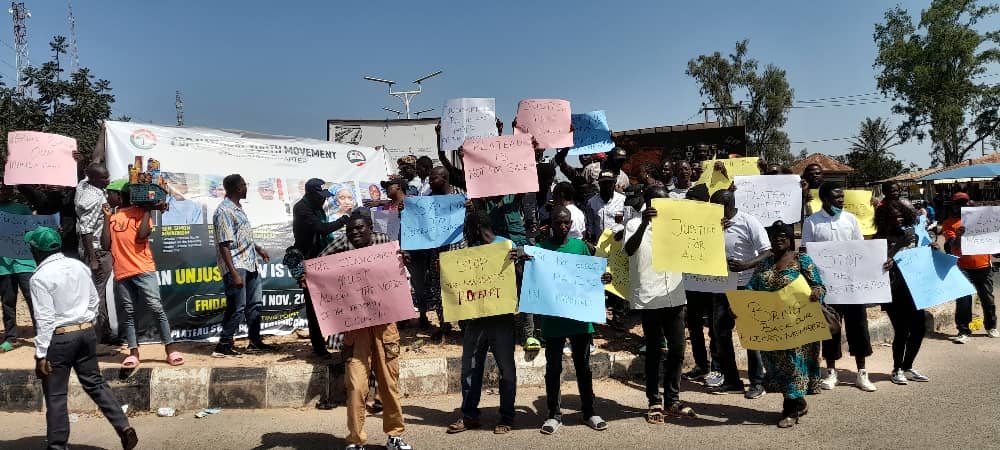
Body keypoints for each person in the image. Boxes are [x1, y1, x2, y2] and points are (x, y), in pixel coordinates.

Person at [25, 226, 138, 450]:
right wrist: (87, 325)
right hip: (85, 333)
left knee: (56, 395)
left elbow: (45, 319)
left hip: (60, 338)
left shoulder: (39, 277)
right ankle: (123, 426)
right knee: (95, 383)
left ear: (37, 251)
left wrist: (41, 354)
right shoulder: (78, 266)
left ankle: (57, 445)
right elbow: (94, 301)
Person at [316, 213, 412, 450]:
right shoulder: (341, 247)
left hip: (384, 326)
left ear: (370, 228)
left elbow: (399, 274)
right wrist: (309, 276)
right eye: (350, 230)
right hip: (355, 328)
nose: (355, 233)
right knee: (356, 386)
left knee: (389, 384)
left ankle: (395, 436)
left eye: (359, 229)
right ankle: (356, 439)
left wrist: (403, 260)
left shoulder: (385, 245)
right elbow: (318, 265)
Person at [523, 206, 611, 435]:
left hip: (579, 319)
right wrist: (522, 258)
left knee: (583, 367)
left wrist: (603, 278)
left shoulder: (580, 246)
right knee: (553, 369)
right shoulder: (540, 250)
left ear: (571, 224)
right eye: (558, 222)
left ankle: (589, 411)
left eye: (566, 223)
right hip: (553, 320)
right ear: (550, 223)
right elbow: (533, 277)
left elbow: (592, 276)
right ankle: (554, 414)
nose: (562, 226)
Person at [622, 186, 696, 424]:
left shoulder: (677, 225)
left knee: (677, 349)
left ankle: (672, 400)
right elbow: (629, 250)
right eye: (660, 202)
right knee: (655, 350)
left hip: (674, 294)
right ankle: (654, 400)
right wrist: (644, 224)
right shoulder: (633, 224)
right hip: (650, 296)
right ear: (650, 202)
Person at [747, 221, 825, 428]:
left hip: (798, 326)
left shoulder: (802, 261)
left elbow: (819, 285)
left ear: (790, 239)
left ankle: (789, 410)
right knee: (776, 367)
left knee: (793, 366)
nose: (778, 239)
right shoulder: (764, 264)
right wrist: (740, 303)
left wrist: (817, 293)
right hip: (772, 327)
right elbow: (751, 287)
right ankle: (799, 402)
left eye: (783, 235)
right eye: (774, 236)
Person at [446, 211, 517, 435]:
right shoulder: (469, 250)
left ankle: (506, 416)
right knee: (470, 368)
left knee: (506, 370)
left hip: (501, 318)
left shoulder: (506, 246)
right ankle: (469, 416)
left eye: (467, 228)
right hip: (475, 319)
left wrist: (519, 262)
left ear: (476, 228)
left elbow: (518, 278)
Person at [802, 182, 875, 392]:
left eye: (842, 197)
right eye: (837, 197)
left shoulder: (850, 219)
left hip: (852, 286)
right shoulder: (812, 222)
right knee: (830, 328)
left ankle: (862, 373)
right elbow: (807, 254)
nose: (841, 201)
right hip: (827, 287)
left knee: (859, 328)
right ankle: (831, 372)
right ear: (825, 199)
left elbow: (860, 249)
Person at [100, 185, 183, 368]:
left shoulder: (139, 212)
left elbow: (142, 236)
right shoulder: (112, 217)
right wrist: (106, 219)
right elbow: (105, 245)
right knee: (129, 312)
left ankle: (170, 348)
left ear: (120, 197)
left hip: (143, 269)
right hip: (122, 272)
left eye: (110, 194)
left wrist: (146, 211)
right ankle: (133, 352)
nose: (107, 197)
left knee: (155, 307)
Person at [711, 189, 771, 399]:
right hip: (721, 287)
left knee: (750, 335)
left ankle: (757, 382)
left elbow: (767, 251)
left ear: (728, 204)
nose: (713, 210)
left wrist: (746, 264)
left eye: (717, 206)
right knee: (721, 335)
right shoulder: (712, 224)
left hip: (745, 286)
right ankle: (732, 381)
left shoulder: (748, 222)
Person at [211, 174, 275, 357]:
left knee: (254, 304)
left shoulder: (238, 208)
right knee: (237, 306)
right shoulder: (224, 211)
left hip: (250, 263)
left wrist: (258, 249)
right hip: (237, 265)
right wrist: (233, 273)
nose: (246, 188)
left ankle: (255, 341)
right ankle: (223, 345)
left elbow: (241, 236)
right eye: (244, 185)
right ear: (239, 188)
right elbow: (224, 244)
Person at [288, 178, 352, 357]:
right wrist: (344, 219)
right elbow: (321, 229)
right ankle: (318, 347)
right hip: (308, 263)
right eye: (320, 196)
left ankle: (334, 340)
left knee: (331, 303)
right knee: (314, 306)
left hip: (322, 260)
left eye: (325, 196)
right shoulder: (302, 208)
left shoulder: (316, 206)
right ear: (309, 193)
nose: (323, 199)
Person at [874, 200, 931, 384]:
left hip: (914, 289)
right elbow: (876, 264)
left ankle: (908, 366)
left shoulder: (910, 233)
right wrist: (897, 246)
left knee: (919, 328)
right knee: (902, 331)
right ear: (885, 217)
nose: (898, 217)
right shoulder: (879, 237)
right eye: (894, 214)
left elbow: (920, 254)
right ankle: (896, 369)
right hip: (893, 291)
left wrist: (931, 248)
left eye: (901, 213)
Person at [941, 192, 998, 342]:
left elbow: (993, 241)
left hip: (984, 265)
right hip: (962, 267)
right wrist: (960, 235)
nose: (962, 205)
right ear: (953, 205)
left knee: (987, 298)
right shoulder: (949, 223)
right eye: (959, 203)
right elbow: (953, 246)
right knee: (964, 299)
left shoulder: (983, 219)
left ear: (970, 202)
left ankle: (991, 326)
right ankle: (964, 331)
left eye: (965, 202)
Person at [74, 163, 117, 345]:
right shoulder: (93, 198)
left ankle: (103, 332)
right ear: (93, 178)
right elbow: (86, 229)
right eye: (103, 178)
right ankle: (99, 336)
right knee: (99, 294)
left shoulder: (83, 185)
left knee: (98, 292)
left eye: (107, 177)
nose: (107, 180)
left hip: (95, 250)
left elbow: (96, 158)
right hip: (97, 250)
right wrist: (93, 258)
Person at [0, 183, 37, 351]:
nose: (4, 192)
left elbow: (32, 231)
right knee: (8, 302)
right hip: (3, 266)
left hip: (25, 263)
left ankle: (42, 334)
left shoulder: (22, 209)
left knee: (33, 299)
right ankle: (11, 337)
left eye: (7, 189)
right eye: (1, 189)